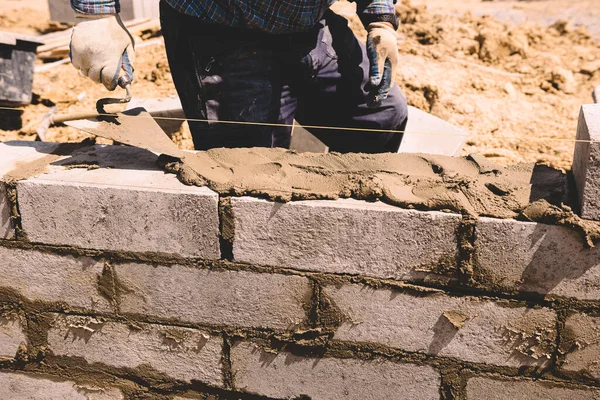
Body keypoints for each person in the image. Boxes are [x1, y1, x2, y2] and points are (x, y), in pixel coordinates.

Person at [70, 0, 408, 153]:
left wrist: (380, 17)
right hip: (220, 29)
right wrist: (95, 13)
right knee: (250, 170)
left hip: (307, 23)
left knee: (381, 116)